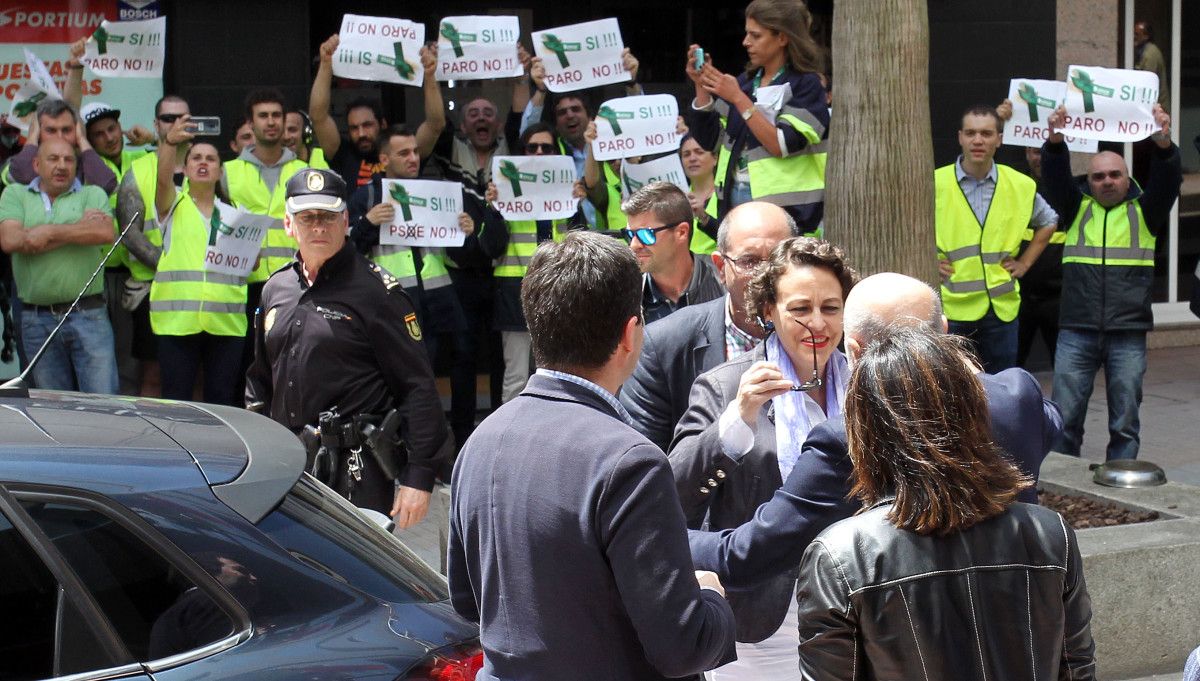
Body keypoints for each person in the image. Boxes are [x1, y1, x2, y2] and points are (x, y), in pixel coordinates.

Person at [687, 273, 1064, 636]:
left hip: (915, 643)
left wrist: (662, 532)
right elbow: (1050, 423)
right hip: (1023, 627)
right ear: (945, 330)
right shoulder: (1016, 395)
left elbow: (745, 557)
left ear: (853, 350)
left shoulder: (847, 439)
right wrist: (966, 376)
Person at [447, 230, 737, 680]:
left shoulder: (481, 440)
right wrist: (711, 596)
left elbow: (467, 600)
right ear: (630, 333)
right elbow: (683, 646)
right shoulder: (629, 461)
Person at [794, 325, 1095, 680]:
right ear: (973, 414)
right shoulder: (1050, 534)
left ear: (865, 431)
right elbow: (1077, 670)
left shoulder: (840, 556)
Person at [669, 237, 855, 675]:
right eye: (800, 309)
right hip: (762, 616)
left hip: (856, 608)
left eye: (830, 308)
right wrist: (738, 419)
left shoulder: (867, 385)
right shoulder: (727, 384)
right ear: (768, 310)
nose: (817, 324)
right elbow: (672, 491)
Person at [245, 168, 453, 522]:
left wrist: (419, 478)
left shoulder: (377, 293)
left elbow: (417, 387)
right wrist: (257, 452)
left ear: (345, 221)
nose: (318, 227)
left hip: (358, 471)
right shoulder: (274, 289)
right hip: (288, 466)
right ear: (288, 224)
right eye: (307, 217)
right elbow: (260, 382)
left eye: (328, 217)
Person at [1040, 104, 1181, 461]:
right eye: (1098, 176)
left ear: (1127, 177)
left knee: (1125, 421)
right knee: (1065, 418)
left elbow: (1168, 179)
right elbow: (1054, 179)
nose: (1107, 181)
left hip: (1127, 331)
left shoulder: (1146, 212)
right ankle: (1064, 485)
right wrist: (1055, 141)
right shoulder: (1075, 211)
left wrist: (1164, 145)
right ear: (1088, 182)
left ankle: (1122, 482)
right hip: (1076, 329)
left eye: (1114, 175)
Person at [621, 201, 793, 452]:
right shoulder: (662, 346)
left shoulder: (830, 336)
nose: (766, 274)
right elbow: (647, 464)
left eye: (779, 260)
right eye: (750, 261)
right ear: (721, 268)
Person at [687, 0, 828, 234]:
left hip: (786, 214)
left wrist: (739, 99)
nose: (746, 42)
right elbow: (710, 142)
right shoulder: (744, 82)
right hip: (733, 199)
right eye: (746, 34)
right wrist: (701, 85)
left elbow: (781, 144)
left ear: (782, 38)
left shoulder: (807, 84)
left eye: (756, 35)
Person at [936, 104, 1058, 373]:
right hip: (952, 307)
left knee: (1000, 389)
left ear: (999, 139)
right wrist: (928, 262)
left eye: (986, 133)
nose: (978, 140)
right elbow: (913, 226)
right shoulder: (935, 183)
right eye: (971, 133)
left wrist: (1025, 264)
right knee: (955, 391)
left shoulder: (1020, 185)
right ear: (960, 137)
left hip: (1000, 309)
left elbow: (1049, 221)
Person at [0, 138, 118, 393]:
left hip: (88, 314)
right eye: (53, 159)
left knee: (104, 405)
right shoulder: (15, 194)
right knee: (51, 408)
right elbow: (9, 240)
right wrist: (78, 228)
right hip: (36, 319)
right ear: (36, 164)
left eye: (69, 159)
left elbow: (104, 233)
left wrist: (47, 232)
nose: (62, 166)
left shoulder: (93, 193)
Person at [148, 115, 246, 406]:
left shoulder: (236, 212)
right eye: (196, 158)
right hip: (178, 323)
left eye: (211, 159)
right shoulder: (171, 204)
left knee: (223, 402)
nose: (203, 163)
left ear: (219, 170)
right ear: (186, 168)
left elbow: (248, 264)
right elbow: (162, 179)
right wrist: (170, 143)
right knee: (176, 403)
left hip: (225, 322)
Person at [488, 122, 587, 402]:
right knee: (517, 376)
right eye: (532, 147)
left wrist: (577, 204)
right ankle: (510, 442)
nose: (540, 152)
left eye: (547, 147)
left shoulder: (566, 190)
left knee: (562, 375)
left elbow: (581, 239)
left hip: (560, 291)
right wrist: (494, 210)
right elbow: (490, 247)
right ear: (522, 152)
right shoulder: (507, 189)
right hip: (514, 294)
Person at [115, 94, 193, 397]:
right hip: (152, 289)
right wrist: (170, 265)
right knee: (153, 376)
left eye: (181, 118)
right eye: (168, 119)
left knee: (196, 374)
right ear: (155, 125)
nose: (175, 124)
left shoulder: (206, 163)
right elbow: (130, 233)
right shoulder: (139, 170)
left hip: (200, 289)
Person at [522, 48, 642, 228]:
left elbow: (642, 130)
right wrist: (540, 90)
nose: (570, 115)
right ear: (556, 122)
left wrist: (632, 84)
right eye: (562, 112)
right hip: (567, 241)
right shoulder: (550, 149)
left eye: (576, 109)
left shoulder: (611, 147)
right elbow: (529, 134)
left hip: (607, 240)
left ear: (590, 116)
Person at [310, 35, 444, 195]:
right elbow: (318, 116)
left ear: (383, 124)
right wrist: (326, 64)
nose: (361, 134)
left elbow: (435, 124)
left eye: (367, 125)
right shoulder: (343, 155)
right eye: (354, 128)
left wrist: (430, 75)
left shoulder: (404, 150)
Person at [623, 182, 724, 324]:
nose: (634, 245)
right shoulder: (625, 298)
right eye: (629, 234)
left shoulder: (726, 283)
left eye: (645, 234)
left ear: (681, 232)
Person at [1011, 145, 1067, 369]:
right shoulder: (1016, 189)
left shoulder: (1071, 190)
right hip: (1019, 294)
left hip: (1059, 295)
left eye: (1046, 151)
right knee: (1011, 367)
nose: (1041, 157)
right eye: (1035, 151)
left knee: (1065, 370)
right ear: (1026, 152)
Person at [1, 98, 116, 193]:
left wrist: (82, 140)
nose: (59, 137)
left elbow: (107, 185)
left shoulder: (88, 162)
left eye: (66, 130)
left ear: (76, 131)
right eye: (51, 130)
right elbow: (23, 175)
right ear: (38, 133)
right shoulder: (18, 161)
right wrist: (32, 138)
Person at [681, 133, 720, 254]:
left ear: (715, 158)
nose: (692, 158)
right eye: (686, 154)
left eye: (699, 152)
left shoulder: (728, 196)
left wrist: (703, 217)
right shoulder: (676, 199)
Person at [1134, 21, 1169, 111]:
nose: (1134, 37)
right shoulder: (1142, 51)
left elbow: (1148, 81)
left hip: (1156, 108)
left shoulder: (1150, 54)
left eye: (1137, 34)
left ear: (1146, 36)